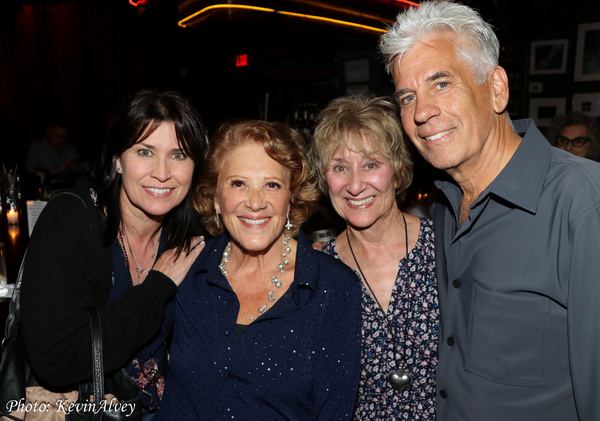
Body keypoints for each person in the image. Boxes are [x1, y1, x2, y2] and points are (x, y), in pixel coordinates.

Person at [380, 2, 600, 420]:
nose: (421, 112)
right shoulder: (444, 204)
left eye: (441, 83)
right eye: (407, 97)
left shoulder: (583, 203)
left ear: (496, 87)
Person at [156, 120, 362, 420]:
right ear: (215, 196)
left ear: (291, 197)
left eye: (272, 184)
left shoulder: (333, 288)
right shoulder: (187, 269)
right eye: (238, 183)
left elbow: (334, 411)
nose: (255, 202)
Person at [20, 89, 207, 418]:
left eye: (178, 155)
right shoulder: (73, 222)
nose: (162, 172)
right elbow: (56, 361)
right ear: (118, 160)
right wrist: (156, 288)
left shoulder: (186, 238)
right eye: (145, 152)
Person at [308, 94, 438, 420]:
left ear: (398, 169)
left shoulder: (445, 248)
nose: (355, 185)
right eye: (340, 168)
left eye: (370, 165)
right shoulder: (320, 272)